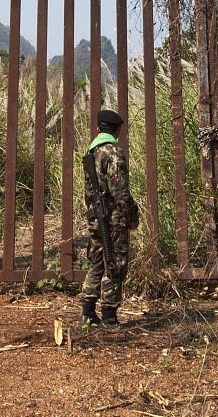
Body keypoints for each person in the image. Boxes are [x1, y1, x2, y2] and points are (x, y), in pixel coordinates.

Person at [80, 109, 140, 329]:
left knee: (96, 263)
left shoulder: (92, 151)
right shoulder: (112, 152)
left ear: (98, 128)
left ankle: (87, 314)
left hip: (95, 215)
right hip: (112, 217)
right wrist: (131, 215)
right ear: (118, 130)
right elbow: (119, 190)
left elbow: (88, 190)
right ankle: (109, 317)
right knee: (115, 264)